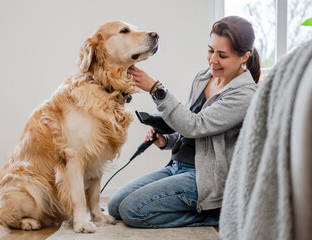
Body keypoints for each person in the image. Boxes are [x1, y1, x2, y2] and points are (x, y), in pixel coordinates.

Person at [107, 15, 260, 228]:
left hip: (205, 178)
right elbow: (189, 124)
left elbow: (195, 125)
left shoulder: (244, 95)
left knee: (132, 211)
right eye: (210, 50)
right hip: (177, 166)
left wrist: (156, 90)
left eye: (222, 55)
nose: (213, 60)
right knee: (115, 206)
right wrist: (167, 141)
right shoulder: (204, 77)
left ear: (244, 57)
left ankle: (217, 215)